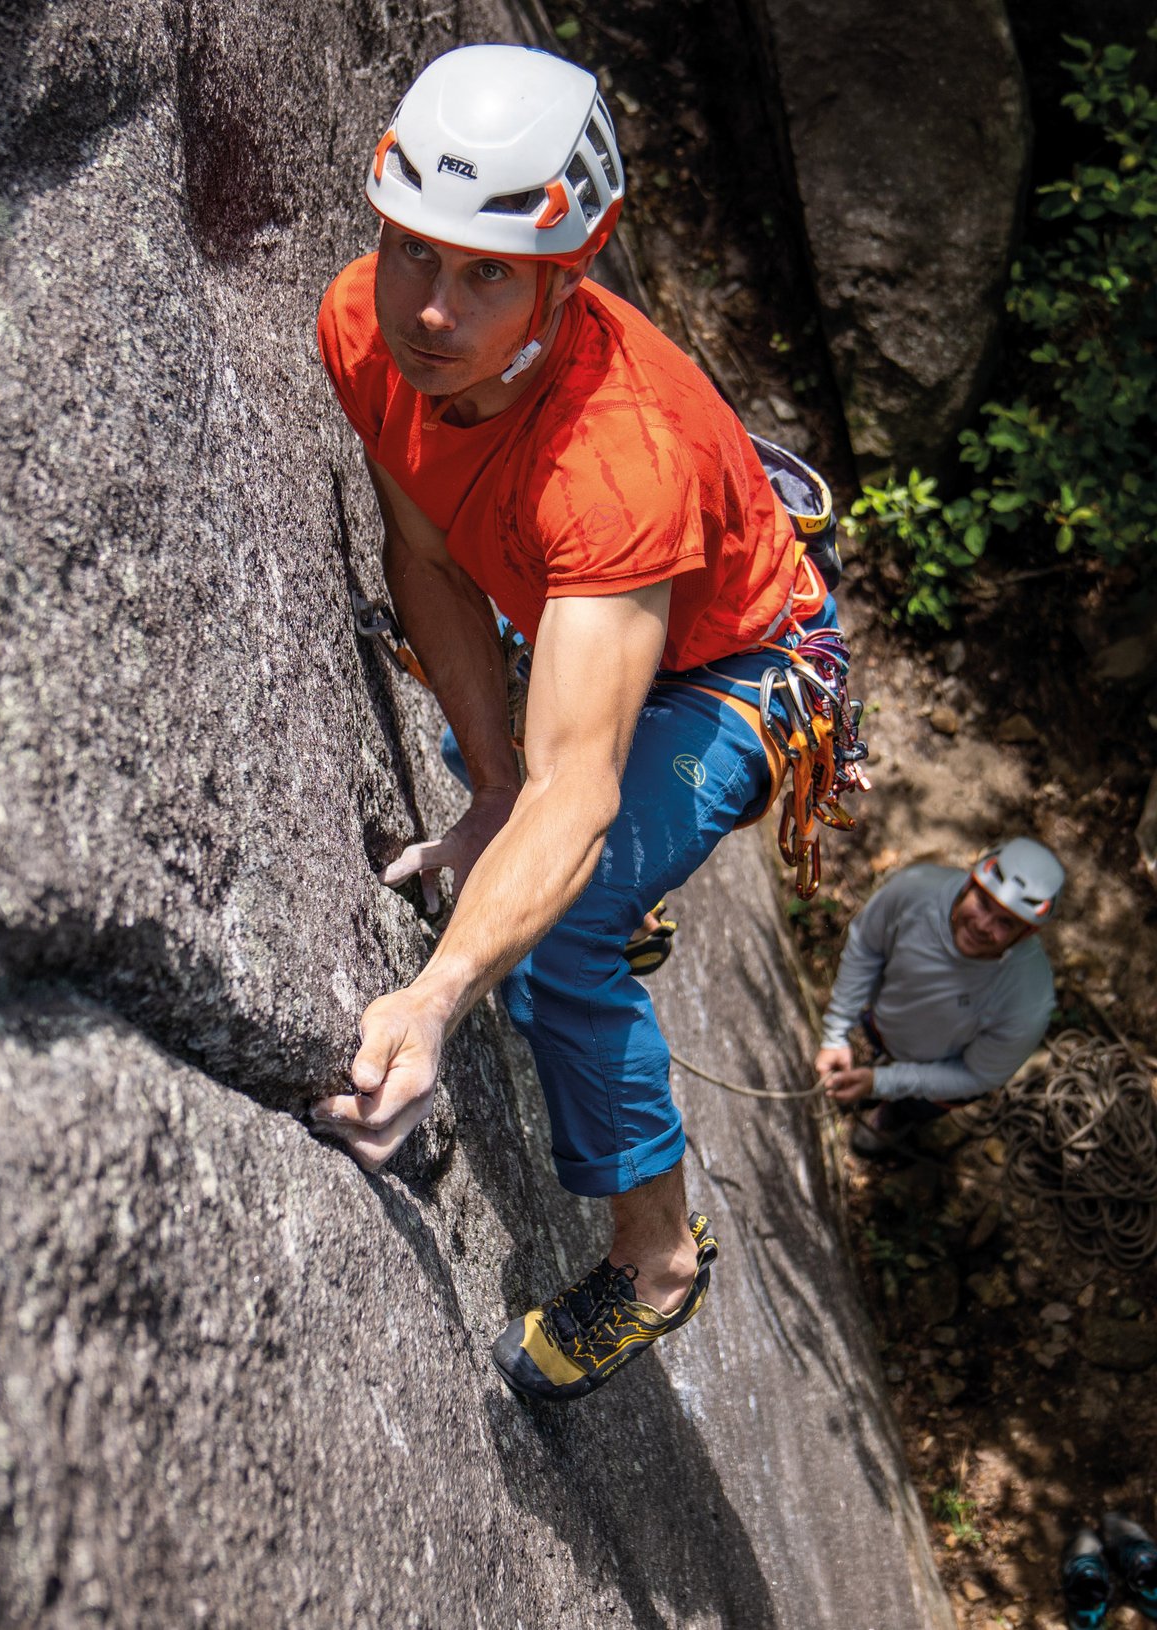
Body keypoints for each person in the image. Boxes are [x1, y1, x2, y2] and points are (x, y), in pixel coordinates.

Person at [314, 42, 850, 1401]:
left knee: (560, 941)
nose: (432, 310)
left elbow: (577, 785)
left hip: (736, 659)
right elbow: (427, 554)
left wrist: (440, 997)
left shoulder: (618, 459)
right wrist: (489, 786)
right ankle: (603, 891)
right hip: (589, 609)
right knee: (498, 798)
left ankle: (660, 1261)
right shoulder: (364, 327)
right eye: (414, 250)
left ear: (566, 270)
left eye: (487, 273)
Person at [814, 837, 1063, 1157]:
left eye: (1006, 923)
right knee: (880, 1054)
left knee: (912, 1107)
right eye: (984, 903)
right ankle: (872, 1080)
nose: (983, 925)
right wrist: (836, 1033)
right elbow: (866, 946)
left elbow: (976, 1074)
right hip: (887, 1024)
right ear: (968, 886)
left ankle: (890, 1118)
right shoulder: (915, 892)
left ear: (1026, 934)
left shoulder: (1027, 998)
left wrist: (883, 1082)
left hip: (943, 1073)